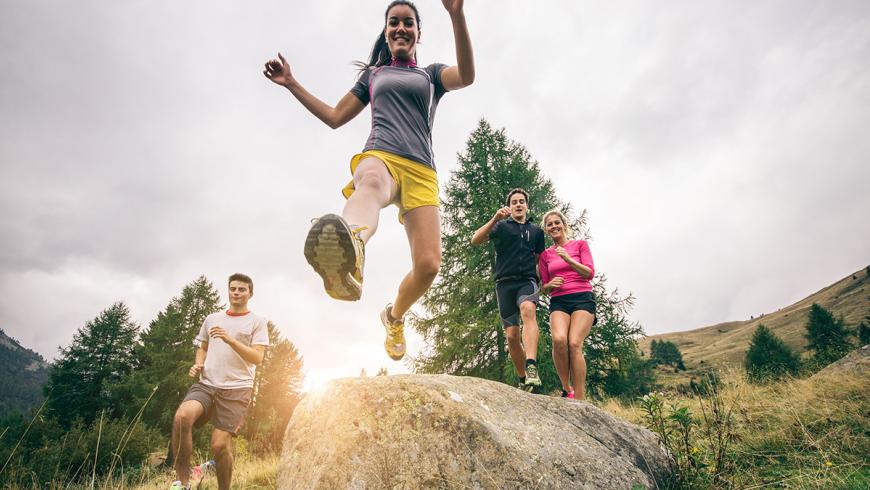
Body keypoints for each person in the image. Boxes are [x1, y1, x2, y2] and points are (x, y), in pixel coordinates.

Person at [263, 0, 474, 361]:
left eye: (408, 23)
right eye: (394, 23)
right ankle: (351, 248)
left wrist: (456, 14)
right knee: (371, 182)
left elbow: (467, 76)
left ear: (419, 33)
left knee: (429, 266)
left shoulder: (431, 76)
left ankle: (394, 317)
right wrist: (292, 84)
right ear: (387, 32)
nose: (401, 28)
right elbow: (334, 116)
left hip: (422, 169)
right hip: (382, 155)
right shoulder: (373, 76)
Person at [170, 273, 269, 490]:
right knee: (182, 417)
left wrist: (230, 340)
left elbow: (258, 357)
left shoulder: (257, 322)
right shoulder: (212, 318)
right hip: (207, 383)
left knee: (219, 446)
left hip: (237, 388)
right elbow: (202, 346)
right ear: (228, 291)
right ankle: (184, 483)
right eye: (233, 288)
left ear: (250, 293)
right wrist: (199, 364)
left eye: (242, 289)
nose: (236, 292)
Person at [471, 188, 545, 391]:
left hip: (527, 282)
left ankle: (531, 365)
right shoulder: (501, 227)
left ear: (527, 205)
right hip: (504, 284)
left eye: (522, 201)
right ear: (510, 206)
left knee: (528, 309)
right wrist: (495, 219)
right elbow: (475, 240)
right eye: (514, 202)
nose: (518, 204)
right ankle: (524, 379)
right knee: (512, 336)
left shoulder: (537, 231)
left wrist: (542, 282)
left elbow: (539, 261)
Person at [538, 210, 596, 400]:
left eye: (557, 222)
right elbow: (544, 286)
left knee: (574, 343)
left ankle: (579, 397)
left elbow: (589, 273)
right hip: (559, 300)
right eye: (549, 224)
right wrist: (549, 285)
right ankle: (567, 388)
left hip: (582, 297)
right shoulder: (545, 255)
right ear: (546, 230)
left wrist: (568, 259)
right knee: (559, 340)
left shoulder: (579, 245)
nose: (554, 226)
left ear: (564, 224)